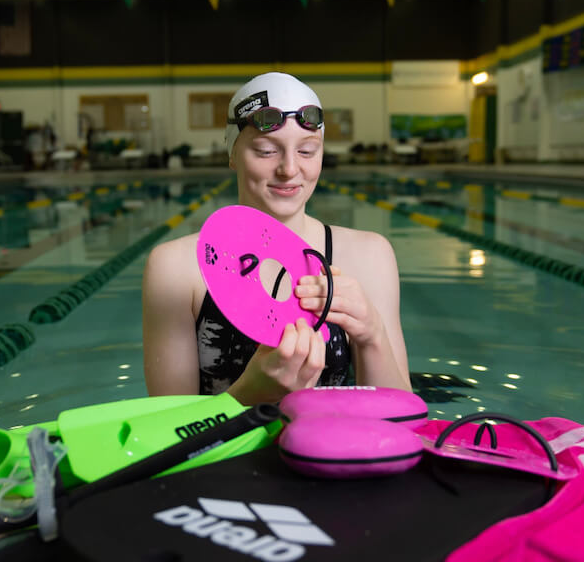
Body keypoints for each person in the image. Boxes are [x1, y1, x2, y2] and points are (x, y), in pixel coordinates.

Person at [143, 72, 411, 405]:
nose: (289, 169)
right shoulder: (176, 268)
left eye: (307, 151)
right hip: (227, 458)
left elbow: (402, 417)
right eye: (267, 151)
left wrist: (373, 336)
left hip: (332, 455)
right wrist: (250, 393)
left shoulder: (369, 256)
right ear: (232, 153)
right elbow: (168, 432)